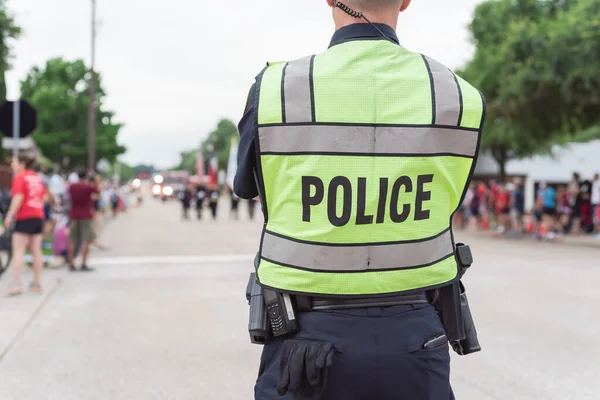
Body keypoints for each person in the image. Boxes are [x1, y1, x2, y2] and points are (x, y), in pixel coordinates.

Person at [234, 1, 486, 398]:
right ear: (405, 1)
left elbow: (248, 188)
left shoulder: (275, 87)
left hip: (304, 339)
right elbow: (450, 194)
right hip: (418, 335)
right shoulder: (459, 95)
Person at [4, 153, 46, 295]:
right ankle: (37, 283)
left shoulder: (20, 177)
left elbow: (18, 197)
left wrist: (10, 215)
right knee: (36, 251)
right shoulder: (37, 178)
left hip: (24, 216)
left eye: (14, 162)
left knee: (19, 251)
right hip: (38, 216)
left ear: (22, 164)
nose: (12, 165)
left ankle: (15, 283)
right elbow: (43, 197)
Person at [67, 170, 99, 272]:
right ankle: (83, 263)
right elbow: (97, 191)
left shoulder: (72, 186)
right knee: (86, 240)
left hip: (74, 216)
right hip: (86, 216)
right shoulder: (88, 187)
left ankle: (71, 263)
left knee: (72, 240)